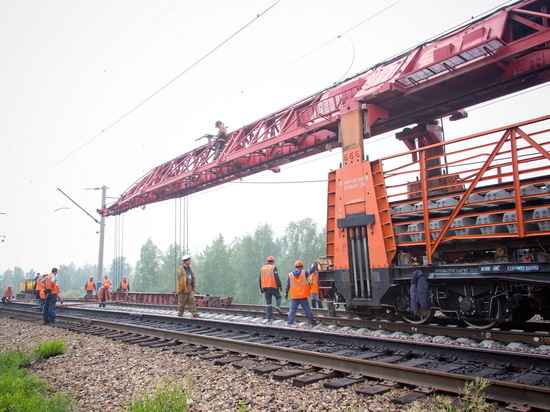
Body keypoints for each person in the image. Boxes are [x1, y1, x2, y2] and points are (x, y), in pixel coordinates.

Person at [285, 260, 318, 326]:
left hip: (294, 296)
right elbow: (311, 270)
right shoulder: (304, 273)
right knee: (307, 309)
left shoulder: (290, 275)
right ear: (301, 267)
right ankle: (312, 321)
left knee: (292, 309)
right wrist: (315, 264)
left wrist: (286, 293)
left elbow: (288, 285)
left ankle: (289, 322)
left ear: (295, 267)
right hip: (303, 295)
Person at [259, 256, 284, 321]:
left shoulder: (262, 268)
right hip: (273, 286)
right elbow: (276, 277)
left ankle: (269, 318)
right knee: (278, 297)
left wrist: (261, 288)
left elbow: (260, 279)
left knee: (268, 303)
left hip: (265, 287)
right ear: (273, 262)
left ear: (267, 261)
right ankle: (277, 307)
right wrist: (280, 286)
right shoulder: (273, 267)